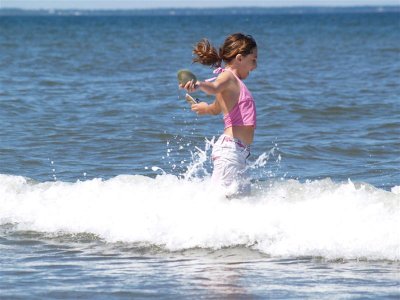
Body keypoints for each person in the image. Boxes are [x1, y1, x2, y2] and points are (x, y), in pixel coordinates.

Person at [180, 33, 258, 196]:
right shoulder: (228, 77)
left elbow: (216, 108)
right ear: (239, 58)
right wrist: (199, 84)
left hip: (239, 153)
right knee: (222, 202)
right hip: (230, 151)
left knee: (241, 205)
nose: (255, 66)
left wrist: (204, 108)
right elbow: (214, 87)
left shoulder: (235, 84)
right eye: (253, 60)